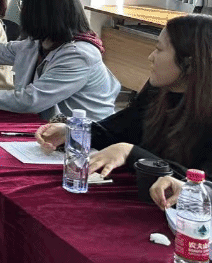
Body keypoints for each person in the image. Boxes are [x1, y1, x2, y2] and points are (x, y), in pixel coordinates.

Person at [34, 14, 212, 202]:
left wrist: (130, 153)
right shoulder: (158, 91)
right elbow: (121, 129)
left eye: (159, 50)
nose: (150, 57)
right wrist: (75, 132)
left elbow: (204, 186)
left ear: (189, 63)